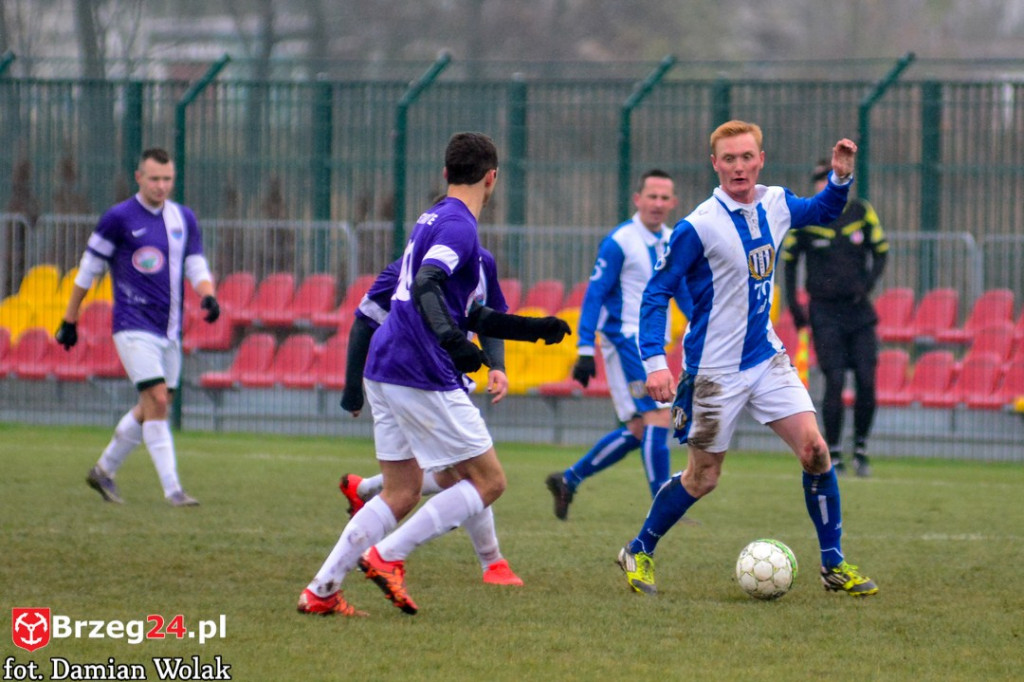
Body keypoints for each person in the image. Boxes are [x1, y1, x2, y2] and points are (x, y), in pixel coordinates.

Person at [297, 132, 570, 617]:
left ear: (445, 174)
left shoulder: (431, 219)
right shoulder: (460, 228)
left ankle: (321, 590)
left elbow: (460, 308)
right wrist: (452, 344)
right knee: (488, 482)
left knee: (401, 490)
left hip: (385, 364)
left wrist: (533, 329)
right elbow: (427, 284)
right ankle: (387, 556)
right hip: (418, 366)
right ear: (493, 178)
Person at [617, 120, 878, 598]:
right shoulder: (698, 227)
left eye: (746, 157)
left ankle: (834, 564)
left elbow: (823, 209)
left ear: (760, 159)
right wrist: (655, 361)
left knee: (816, 451)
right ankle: (640, 548)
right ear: (714, 164)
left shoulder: (776, 202)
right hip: (713, 373)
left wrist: (841, 177)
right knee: (703, 477)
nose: (738, 167)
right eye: (728, 159)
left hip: (765, 357)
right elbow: (656, 294)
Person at [336, 250, 524, 587]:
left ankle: (363, 493)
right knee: (474, 474)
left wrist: (498, 365)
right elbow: (364, 322)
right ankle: (490, 562)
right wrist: (353, 389)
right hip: (417, 383)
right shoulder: (406, 271)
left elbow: (490, 317)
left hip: (446, 383)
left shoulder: (482, 262)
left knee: (454, 474)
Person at [55, 147, 219, 507]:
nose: (161, 186)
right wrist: (70, 318)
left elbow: (195, 263)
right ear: (139, 177)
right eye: (154, 178)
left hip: (170, 329)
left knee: (153, 406)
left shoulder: (183, 218)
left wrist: (207, 294)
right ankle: (173, 490)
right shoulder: (118, 218)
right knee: (158, 399)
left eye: (167, 179)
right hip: (132, 324)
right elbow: (89, 270)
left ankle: (102, 471)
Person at [545, 169, 692, 520]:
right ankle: (665, 506)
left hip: (650, 344)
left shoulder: (673, 239)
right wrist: (584, 348)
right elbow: (594, 294)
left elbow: (683, 292)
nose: (657, 203)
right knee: (659, 414)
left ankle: (568, 479)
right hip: (626, 339)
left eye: (664, 197)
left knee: (639, 430)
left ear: (673, 203)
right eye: (651, 196)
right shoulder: (620, 241)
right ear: (637, 199)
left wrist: (705, 321)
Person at [781, 160, 888, 477]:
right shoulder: (806, 216)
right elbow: (788, 262)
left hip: (859, 311)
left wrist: (868, 284)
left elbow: (881, 251)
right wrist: (796, 307)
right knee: (835, 380)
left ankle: (861, 449)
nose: (822, 182)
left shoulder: (861, 211)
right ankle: (836, 453)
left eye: (828, 176)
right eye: (818, 178)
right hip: (824, 312)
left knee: (867, 381)